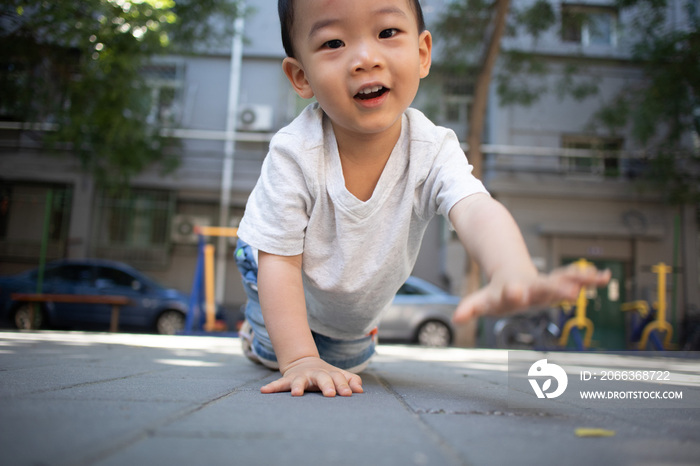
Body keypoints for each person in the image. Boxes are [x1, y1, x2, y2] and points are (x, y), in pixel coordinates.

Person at [234, 0, 611, 397]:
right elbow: (279, 260)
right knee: (277, 353)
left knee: (346, 366)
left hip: (347, 317)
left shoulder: (432, 148)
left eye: (387, 33)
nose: (365, 59)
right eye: (333, 43)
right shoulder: (295, 152)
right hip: (276, 274)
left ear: (421, 53)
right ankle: (254, 331)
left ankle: (323, 343)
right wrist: (298, 360)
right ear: (300, 76)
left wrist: (512, 270)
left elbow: (475, 208)